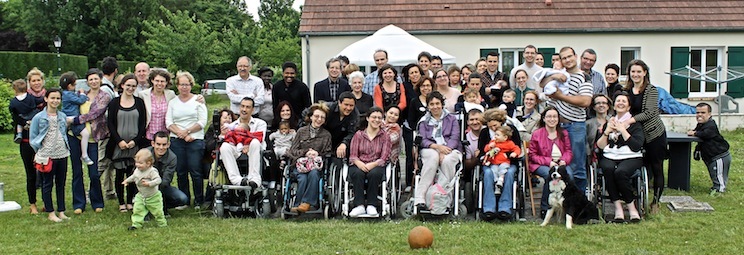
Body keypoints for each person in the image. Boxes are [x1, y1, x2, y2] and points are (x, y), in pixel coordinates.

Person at [539, 46, 593, 193]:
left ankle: (579, 202)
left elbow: (585, 101)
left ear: (575, 56)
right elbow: (542, 84)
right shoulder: (559, 74)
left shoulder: (584, 76)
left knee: (576, 166)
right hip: (555, 127)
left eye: (569, 56)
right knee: (557, 165)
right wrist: (554, 77)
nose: (567, 60)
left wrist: (559, 96)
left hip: (574, 126)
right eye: (564, 58)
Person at [621, 59, 667, 213]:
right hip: (634, 134)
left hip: (653, 134)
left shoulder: (651, 90)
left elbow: (650, 112)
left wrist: (630, 121)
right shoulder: (626, 90)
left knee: (656, 167)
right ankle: (635, 198)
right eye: (633, 71)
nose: (635, 74)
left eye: (639, 71)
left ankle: (656, 202)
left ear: (645, 73)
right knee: (636, 166)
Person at [595, 92, 644, 223]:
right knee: (608, 170)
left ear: (628, 107)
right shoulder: (609, 123)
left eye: (624, 101)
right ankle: (617, 208)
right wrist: (607, 131)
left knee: (621, 172)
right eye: (618, 101)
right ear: (614, 106)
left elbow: (636, 146)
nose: (620, 103)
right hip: (610, 156)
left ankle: (631, 207)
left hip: (631, 157)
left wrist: (623, 130)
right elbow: (600, 146)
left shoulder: (636, 125)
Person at [71, 68, 114, 204]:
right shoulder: (80, 94)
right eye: (91, 79)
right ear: (87, 82)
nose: (94, 81)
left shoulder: (104, 96)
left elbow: (96, 113)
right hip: (77, 135)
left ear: (100, 80)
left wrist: (76, 120)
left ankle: (96, 201)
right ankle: (79, 201)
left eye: (96, 79)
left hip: (95, 137)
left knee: (94, 172)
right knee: (77, 172)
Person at [414, 91, 462, 212]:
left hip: (450, 149)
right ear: (428, 106)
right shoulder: (423, 121)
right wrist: (436, 147)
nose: (435, 106)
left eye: (437, 103)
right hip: (430, 148)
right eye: (432, 104)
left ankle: (443, 199)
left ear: (442, 104)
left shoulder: (452, 119)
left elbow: (455, 138)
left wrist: (444, 151)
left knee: (448, 161)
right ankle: (420, 197)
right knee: (432, 157)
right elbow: (422, 140)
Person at [166, 71, 208, 208]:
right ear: (177, 86)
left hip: (195, 140)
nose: (184, 87)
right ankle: (184, 200)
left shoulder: (198, 100)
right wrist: (180, 133)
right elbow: (168, 121)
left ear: (191, 85)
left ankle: (198, 200)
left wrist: (188, 131)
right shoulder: (173, 102)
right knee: (181, 171)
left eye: (187, 84)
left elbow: (202, 121)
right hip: (177, 140)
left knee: (196, 171)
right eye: (182, 84)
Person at [107, 74, 148, 212]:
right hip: (119, 145)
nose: (130, 88)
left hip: (134, 145)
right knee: (119, 173)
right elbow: (110, 124)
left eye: (133, 86)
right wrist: (119, 141)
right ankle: (121, 202)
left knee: (133, 173)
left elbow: (143, 124)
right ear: (122, 85)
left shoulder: (139, 103)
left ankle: (130, 200)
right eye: (128, 85)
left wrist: (134, 141)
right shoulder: (114, 103)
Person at [29, 88, 70, 222]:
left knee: (61, 183)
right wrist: (41, 150)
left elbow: (63, 132)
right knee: (47, 184)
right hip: (47, 156)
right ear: (46, 99)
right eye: (52, 98)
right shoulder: (38, 117)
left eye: (58, 98)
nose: (55, 101)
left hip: (62, 153)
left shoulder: (62, 116)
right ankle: (50, 211)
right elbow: (33, 137)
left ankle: (61, 210)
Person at [286, 103, 332, 213]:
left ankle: (306, 203)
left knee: (314, 174)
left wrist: (318, 154)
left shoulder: (326, 135)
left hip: (316, 166)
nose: (319, 119)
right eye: (316, 116)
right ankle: (298, 204)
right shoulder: (301, 132)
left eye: (322, 117)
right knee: (302, 178)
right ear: (310, 117)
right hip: (300, 165)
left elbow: (328, 153)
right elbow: (292, 151)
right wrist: (306, 152)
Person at [477, 108, 522, 220]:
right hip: (491, 162)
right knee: (487, 173)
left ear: (501, 122)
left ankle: (505, 207)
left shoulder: (510, 131)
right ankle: (489, 208)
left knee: (510, 173)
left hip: (508, 162)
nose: (493, 128)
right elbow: (481, 151)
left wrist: (507, 154)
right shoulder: (484, 133)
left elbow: (517, 149)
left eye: (495, 126)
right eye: (490, 126)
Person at [528, 107, 573, 219]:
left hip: (561, 164)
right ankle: (545, 207)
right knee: (549, 175)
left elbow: (568, 151)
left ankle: (564, 206)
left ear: (558, 119)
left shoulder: (564, 133)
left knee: (570, 175)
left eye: (554, 117)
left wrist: (564, 160)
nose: (552, 119)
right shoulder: (537, 134)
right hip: (541, 164)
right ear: (544, 118)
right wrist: (549, 162)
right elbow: (532, 155)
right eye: (549, 116)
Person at [348, 107, 392, 217]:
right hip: (359, 163)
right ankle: (359, 206)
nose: (376, 120)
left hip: (376, 164)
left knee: (375, 174)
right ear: (368, 118)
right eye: (374, 117)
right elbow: (353, 155)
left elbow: (384, 157)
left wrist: (374, 164)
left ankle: (372, 205)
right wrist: (359, 163)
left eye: (379, 118)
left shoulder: (385, 136)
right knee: (357, 173)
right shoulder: (358, 135)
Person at [10, 77, 44, 214]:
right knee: (32, 174)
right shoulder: (32, 99)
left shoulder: (14, 102)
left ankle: (44, 202)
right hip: (26, 143)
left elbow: (15, 116)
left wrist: (23, 123)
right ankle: (33, 204)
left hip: (37, 141)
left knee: (42, 173)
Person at [220, 97, 267, 188]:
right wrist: (223, 134)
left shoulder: (260, 123)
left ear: (252, 110)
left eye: (248, 107)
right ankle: (237, 180)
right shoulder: (233, 125)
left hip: (254, 149)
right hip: (237, 149)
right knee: (224, 146)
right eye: (242, 106)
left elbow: (260, 138)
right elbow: (227, 138)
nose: (244, 109)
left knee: (255, 142)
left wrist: (247, 144)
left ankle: (254, 179)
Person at [688, 103, 731, 194]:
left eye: (703, 112)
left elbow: (706, 134)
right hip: (710, 156)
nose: (699, 115)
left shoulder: (711, 125)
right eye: (697, 112)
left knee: (718, 174)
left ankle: (719, 189)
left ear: (709, 114)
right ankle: (716, 187)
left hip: (719, 156)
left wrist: (695, 133)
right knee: (713, 172)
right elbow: (701, 139)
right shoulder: (701, 125)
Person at [123, 149, 166, 230]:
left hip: (153, 196)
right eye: (136, 162)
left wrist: (149, 184)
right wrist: (127, 181)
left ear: (148, 163)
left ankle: (162, 223)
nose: (137, 165)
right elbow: (133, 177)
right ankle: (136, 224)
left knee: (157, 212)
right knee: (137, 210)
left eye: (140, 163)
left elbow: (158, 180)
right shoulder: (137, 170)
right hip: (141, 195)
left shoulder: (152, 171)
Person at [149, 131, 189, 214]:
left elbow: (166, 181)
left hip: (161, 186)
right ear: (153, 143)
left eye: (164, 144)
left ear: (168, 144)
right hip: (145, 186)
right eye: (158, 144)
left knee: (183, 199)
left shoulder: (172, 157)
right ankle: (146, 208)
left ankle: (163, 207)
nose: (161, 147)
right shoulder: (145, 154)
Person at [59, 72, 93, 165]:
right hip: (72, 117)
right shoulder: (68, 94)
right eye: (75, 85)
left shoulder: (67, 93)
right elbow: (80, 101)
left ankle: (84, 154)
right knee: (85, 134)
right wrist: (82, 94)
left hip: (72, 117)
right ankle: (84, 155)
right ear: (70, 86)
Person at [136, 69, 177, 142]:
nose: (159, 83)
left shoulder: (171, 94)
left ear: (166, 82)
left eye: (162, 81)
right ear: (152, 80)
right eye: (157, 81)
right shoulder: (143, 95)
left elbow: (181, 101)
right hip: (148, 135)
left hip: (165, 136)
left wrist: (199, 98)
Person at [482, 126, 521, 193]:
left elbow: (517, 148)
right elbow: (485, 149)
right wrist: (489, 146)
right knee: (494, 170)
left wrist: (515, 153)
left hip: (504, 161)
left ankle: (501, 179)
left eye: (498, 135)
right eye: (495, 134)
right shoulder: (493, 142)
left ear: (505, 137)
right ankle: (497, 184)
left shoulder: (509, 143)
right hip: (494, 162)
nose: (495, 136)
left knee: (503, 169)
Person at [10, 79, 42, 144]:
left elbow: (12, 111)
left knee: (19, 124)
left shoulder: (14, 102)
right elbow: (39, 100)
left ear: (15, 90)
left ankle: (19, 134)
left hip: (23, 117)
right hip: (33, 115)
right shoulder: (30, 97)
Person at [586, 95, 612, 161]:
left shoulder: (614, 121)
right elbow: (586, 143)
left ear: (608, 106)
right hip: (595, 156)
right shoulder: (588, 124)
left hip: (612, 154)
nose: (601, 105)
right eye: (598, 103)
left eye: (604, 103)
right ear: (594, 107)